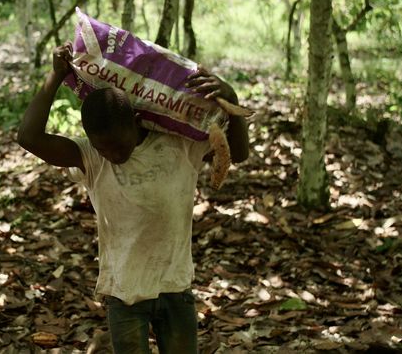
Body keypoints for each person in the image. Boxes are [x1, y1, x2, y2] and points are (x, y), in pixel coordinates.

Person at [17, 42, 249, 354]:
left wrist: (230, 99)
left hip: (175, 287)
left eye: (118, 145)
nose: (112, 155)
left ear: (135, 121)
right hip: (123, 293)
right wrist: (55, 77)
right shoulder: (91, 158)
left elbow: (241, 154)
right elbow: (28, 137)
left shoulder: (176, 146)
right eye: (103, 148)